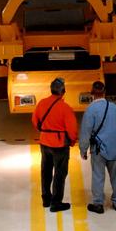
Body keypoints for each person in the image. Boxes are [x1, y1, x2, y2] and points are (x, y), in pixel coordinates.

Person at [32, 77, 78, 212]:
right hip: (59, 145)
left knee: (45, 171)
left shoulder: (41, 103)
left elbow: (35, 121)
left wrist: (44, 132)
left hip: (44, 142)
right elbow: (72, 129)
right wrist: (72, 141)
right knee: (60, 173)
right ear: (63, 91)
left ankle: (46, 199)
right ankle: (56, 203)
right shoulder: (65, 108)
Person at [79, 81, 116, 213]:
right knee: (115, 175)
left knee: (98, 175)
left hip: (98, 150)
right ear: (104, 92)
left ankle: (98, 204)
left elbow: (86, 131)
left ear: (92, 93)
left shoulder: (91, 110)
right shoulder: (114, 107)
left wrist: (83, 149)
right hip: (114, 148)